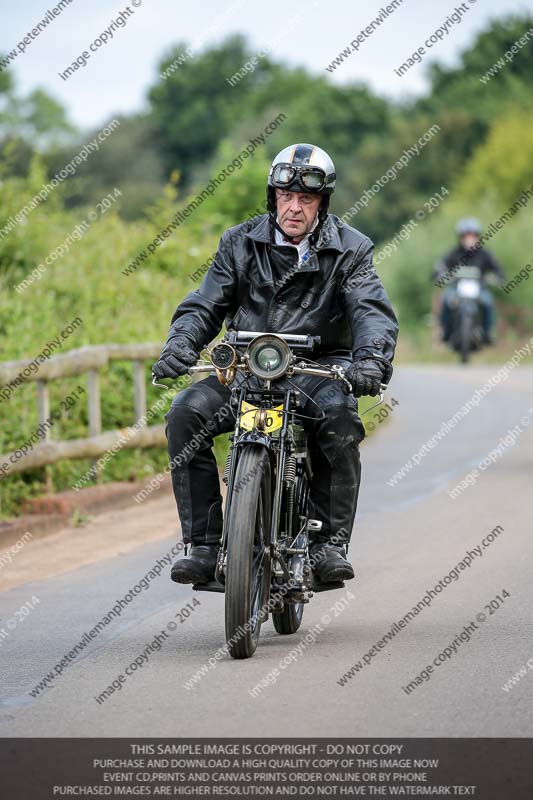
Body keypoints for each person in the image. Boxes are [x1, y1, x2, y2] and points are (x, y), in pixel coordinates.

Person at [152, 143, 399, 585]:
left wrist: (371, 360)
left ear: (322, 202)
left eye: (306, 199)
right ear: (273, 197)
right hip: (246, 367)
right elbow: (204, 305)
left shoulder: (352, 249)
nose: (294, 207)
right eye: (286, 196)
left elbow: (370, 311)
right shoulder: (239, 242)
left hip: (317, 369)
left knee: (340, 421)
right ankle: (205, 545)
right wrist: (181, 345)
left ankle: (328, 545)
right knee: (185, 414)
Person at [434, 218, 505, 344]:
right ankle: (445, 331)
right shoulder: (453, 253)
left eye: (472, 236)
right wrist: (440, 273)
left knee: (488, 302)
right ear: (461, 237)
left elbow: (497, 267)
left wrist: (498, 277)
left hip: (479, 288)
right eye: (466, 236)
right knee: (446, 300)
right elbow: (441, 265)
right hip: (456, 288)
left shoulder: (484, 254)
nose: (469, 239)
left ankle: (488, 333)